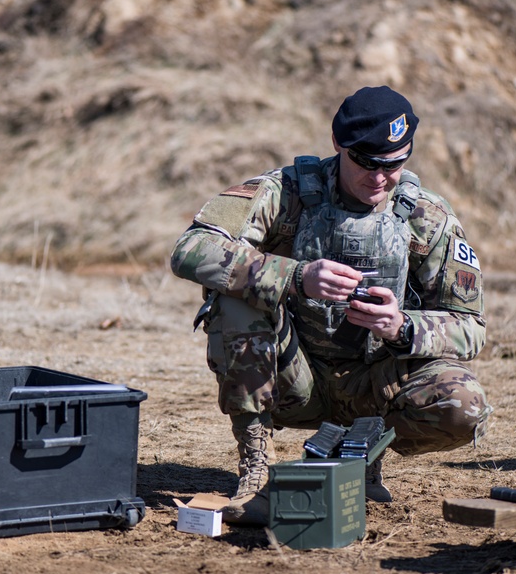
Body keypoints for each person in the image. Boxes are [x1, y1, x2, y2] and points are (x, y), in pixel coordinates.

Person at [169, 86, 492, 525]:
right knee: (234, 301)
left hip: (375, 384)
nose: (380, 178)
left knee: (464, 405)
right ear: (338, 144)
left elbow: (470, 326)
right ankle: (256, 469)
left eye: (394, 164)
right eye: (366, 162)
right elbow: (191, 249)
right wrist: (294, 277)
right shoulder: (285, 193)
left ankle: (359, 458)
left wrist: (402, 326)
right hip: (291, 377)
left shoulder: (427, 217)